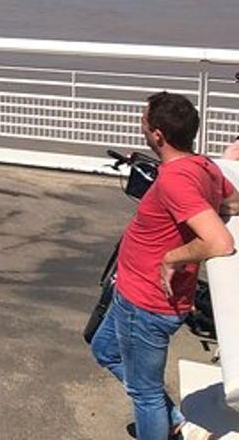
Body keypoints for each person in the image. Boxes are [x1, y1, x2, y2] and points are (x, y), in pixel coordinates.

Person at [89, 92, 238, 440]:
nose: (141, 125)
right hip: (133, 294)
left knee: (145, 393)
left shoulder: (176, 179)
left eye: (143, 121)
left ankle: (161, 420)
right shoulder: (204, 167)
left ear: (157, 135)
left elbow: (220, 242)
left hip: (145, 304)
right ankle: (172, 419)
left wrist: (171, 256)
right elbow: (232, 201)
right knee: (104, 349)